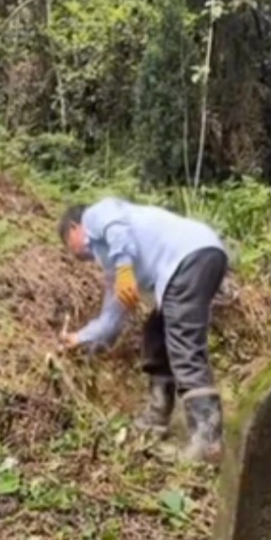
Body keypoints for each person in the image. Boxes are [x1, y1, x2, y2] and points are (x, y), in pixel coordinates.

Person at [58, 198, 229, 462]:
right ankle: (157, 417)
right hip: (199, 256)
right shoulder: (114, 265)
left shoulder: (96, 215)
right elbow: (110, 321)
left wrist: (125, 268)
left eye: (70, 247)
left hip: (190, 255)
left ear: (73, 228)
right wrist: (78, 339)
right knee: (156, 333)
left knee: (183, 344)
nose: (77, 257)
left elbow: (117, 226)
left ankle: (208, 441)